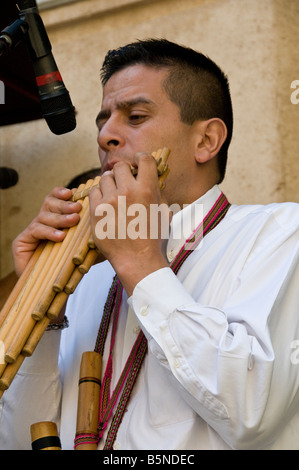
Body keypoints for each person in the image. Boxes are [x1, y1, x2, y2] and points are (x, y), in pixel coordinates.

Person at [0, 38, 298, 450]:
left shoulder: (279, 232)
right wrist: (43, 312)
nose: (106, 136)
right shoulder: (85, 279)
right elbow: (19, 440)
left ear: (206, 141)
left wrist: (139, 261)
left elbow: (251, 410)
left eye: (135, 116)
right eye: (102, 121)